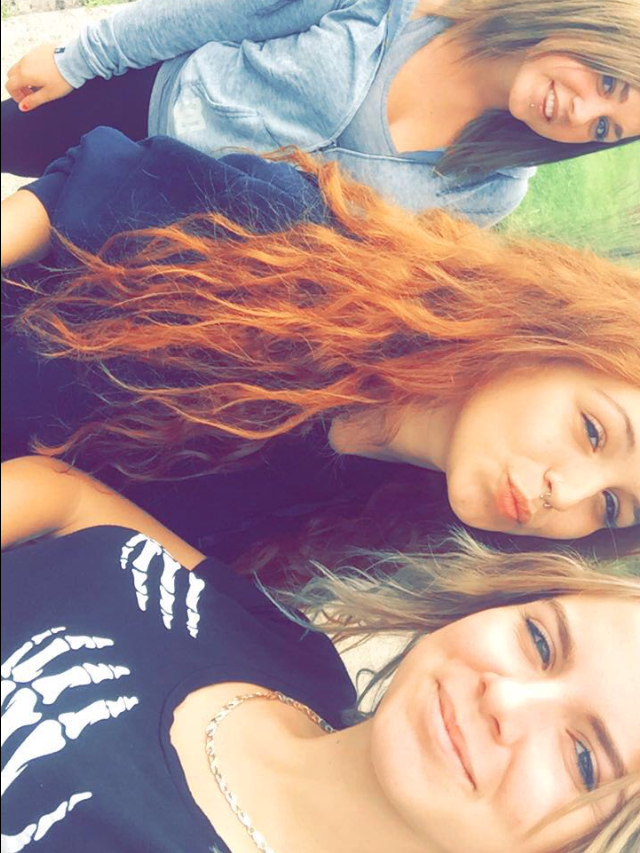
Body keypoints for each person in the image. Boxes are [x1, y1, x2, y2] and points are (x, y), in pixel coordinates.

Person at [2, 130, 639, 577]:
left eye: (612, 507)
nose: (568, 495)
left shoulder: (357, 530)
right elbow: (69, 197)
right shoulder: (293, 238)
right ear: (551, 334)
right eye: (593, 431)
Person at [1, 454, 639, 853]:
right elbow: (69, 499)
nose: (505, 698)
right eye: (540, 641)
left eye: (583, 758)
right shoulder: (297, 653)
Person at [2, 0, 639, 225]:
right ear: (589, 27)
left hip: (161, 223)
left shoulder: (492, 190)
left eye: (603, 129)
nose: (580, 113)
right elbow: (227, 12)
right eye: (605, 80)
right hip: (141, 106)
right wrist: (79, 60)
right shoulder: (406, 8)